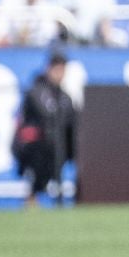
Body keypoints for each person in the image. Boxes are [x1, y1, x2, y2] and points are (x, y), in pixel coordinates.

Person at [14, 52, 77, 205]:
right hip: (34, 145)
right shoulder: (37, 90)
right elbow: (44, 114)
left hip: (56, 146)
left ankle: (57, 195)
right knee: (44, 155)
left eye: (62, 70)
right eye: (57, 69)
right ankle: (32, 199)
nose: (60, 74)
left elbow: (70, 120)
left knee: (62, 146)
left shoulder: (64, 96)